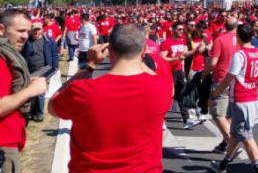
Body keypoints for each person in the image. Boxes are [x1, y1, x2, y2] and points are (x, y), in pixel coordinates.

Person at [49, 24, 173, 173]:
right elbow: (157, 77)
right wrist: (141, 56)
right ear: (143, 51)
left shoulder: (83, 90)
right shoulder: (163, 87)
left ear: (110, 51)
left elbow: (53, 106)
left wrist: (90, 65)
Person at [211, 23, 258, 173]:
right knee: (236, 134)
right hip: (252, 96)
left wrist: (216, 93)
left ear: (238, 37)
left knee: (247, 136)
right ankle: (223, 165)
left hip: (240, 98)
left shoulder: (240, 55)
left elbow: (229, 78)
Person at [0, 10, 48, 173]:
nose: (26, 36)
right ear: (1, 30)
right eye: (20, 31)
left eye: (27, 31)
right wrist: (30, 91)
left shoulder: (8, 56)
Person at [201, 16, 239, 153]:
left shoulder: (220, 40)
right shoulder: (242, 39)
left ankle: (232, 143)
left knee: (217, 113)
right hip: (238, 80)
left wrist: (204, 73)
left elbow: (212, 63)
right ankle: (225, 143)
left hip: (222, 78)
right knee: (229, 114)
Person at [160, 21, 198, 128]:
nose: (182, 31)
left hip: (179, 72)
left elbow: (184, 55)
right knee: (168, 96)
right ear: (173, 29)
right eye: (179, 29)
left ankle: (186, 120)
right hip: (169, 72)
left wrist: (195, 50)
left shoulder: (183, 40)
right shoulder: (166, 42)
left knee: (182, 96)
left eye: (182, 29)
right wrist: (177, 58)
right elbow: (162, 59)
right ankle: (160, 120)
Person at [20, 22, 58, 122]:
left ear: (42, 30)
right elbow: (21, 54)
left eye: (38, 29)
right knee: (30, 91)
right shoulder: (27, 42)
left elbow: (54, 53)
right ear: (31, 31)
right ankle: (31, 112)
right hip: (29, 70)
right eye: (34, 30)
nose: (36, 31)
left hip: (44, 69)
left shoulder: (49, 41)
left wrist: (54, 67)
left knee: (39, 92)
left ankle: (39, 113)